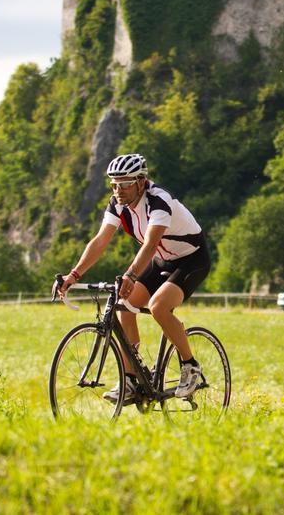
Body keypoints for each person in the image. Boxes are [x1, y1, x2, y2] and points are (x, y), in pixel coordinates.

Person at [55, 153, 211, 403]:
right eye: (114, 184)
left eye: (125, 183)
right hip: (161, 260)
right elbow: (100, 241)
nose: (119, 190)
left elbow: (150, 244)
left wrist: (130, 274)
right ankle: (130, 378)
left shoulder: (159, 201)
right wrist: (74, 275)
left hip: (191, 259)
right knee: (123, 306)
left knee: (159, 306)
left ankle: (190, 365)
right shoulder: (117, 204)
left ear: (141, 181)